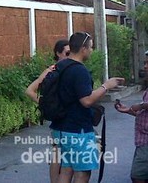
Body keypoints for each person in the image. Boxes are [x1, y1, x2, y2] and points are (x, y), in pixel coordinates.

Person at [50, 31, 125, 183]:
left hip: (61, 128)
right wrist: (106, 86)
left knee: (66, 170)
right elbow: (86, 101)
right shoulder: (79, 70)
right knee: (82, 173)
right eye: (91, 47)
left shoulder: (60, 66)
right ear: (83, 48)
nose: (92, 50)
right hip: (79, 131)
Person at [25, 38, 70, 183]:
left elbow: (30, 91)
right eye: (67, 53)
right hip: (65, 120)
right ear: (58, 53)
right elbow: (30, 91)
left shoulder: (56, 70)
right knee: (63, 155)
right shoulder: (54, 71)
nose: (69, 56)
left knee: (58, 153)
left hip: (59, 121)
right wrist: (46, 104)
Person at [114, 58, 148, 183]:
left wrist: (141, 105)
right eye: (144, 63)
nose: (145, 66)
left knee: (138, 176)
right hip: (142, 141)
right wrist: (128, 110)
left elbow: (145, 106)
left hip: (146, 141)